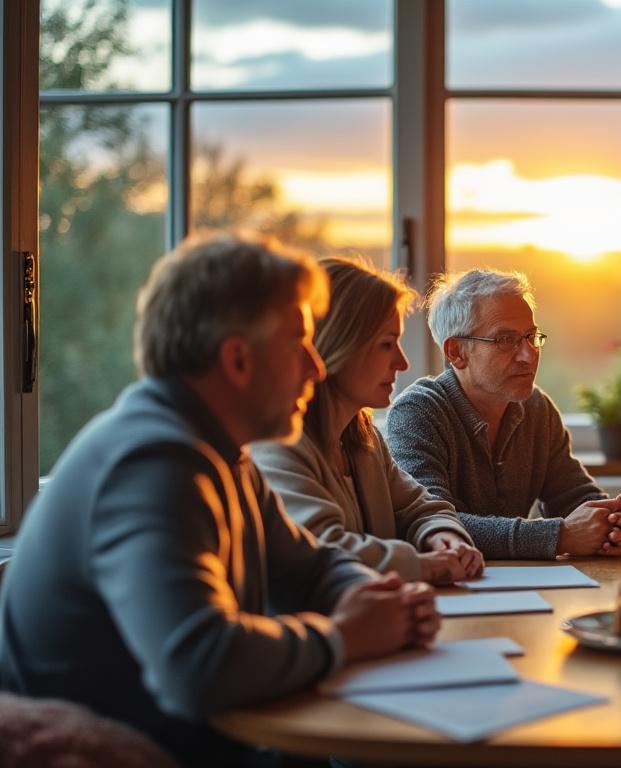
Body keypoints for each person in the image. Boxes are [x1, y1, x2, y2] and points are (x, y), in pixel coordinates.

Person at [0, 234, 440, 766]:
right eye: (298, 342)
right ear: (238, 360)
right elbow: (197, 668)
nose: (316, 367)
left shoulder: (224, 453)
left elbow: (311, 566)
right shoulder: (154, 463)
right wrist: (345, 636)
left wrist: (378, 598)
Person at [253, 257, 483, 584]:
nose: (402, 362)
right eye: (386, 344)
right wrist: (423, 566)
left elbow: (422, 508)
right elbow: (321, 547)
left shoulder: (363, 440)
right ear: (338, 346)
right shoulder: (277, 445)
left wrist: (444, 537)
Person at [386, 269, 621, 560]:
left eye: (531, 336)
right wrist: (560, 536)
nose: (528, 355)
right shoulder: (417, 413)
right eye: (506, 340)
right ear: (456, 352)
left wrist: (616, 521)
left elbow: (575, 495)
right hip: (448, 593)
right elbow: (432, 523)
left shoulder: (536, 408)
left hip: (521, 585)